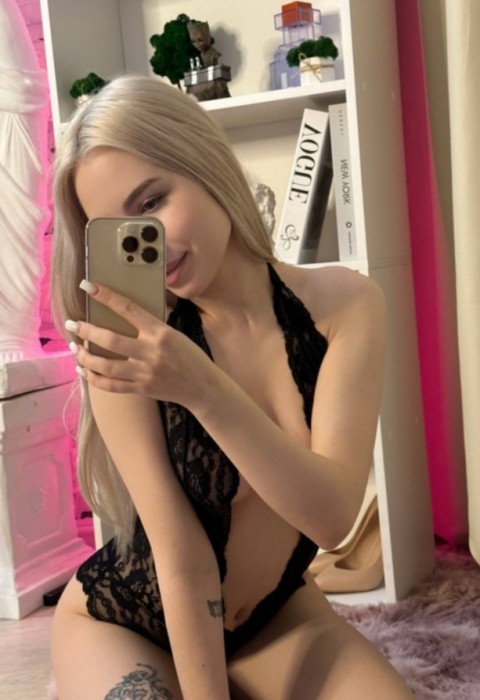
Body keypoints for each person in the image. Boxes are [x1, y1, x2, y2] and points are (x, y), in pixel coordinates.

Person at [50, 74, 414, 700]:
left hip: (277, 617)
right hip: (134, 622)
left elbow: (331, 519)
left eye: (151, 202)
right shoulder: (126, 349)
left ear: (205, 161)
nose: (148, 245)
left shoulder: (346, 306)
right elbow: (182, 558)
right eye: (117, 230)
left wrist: (201, 386)